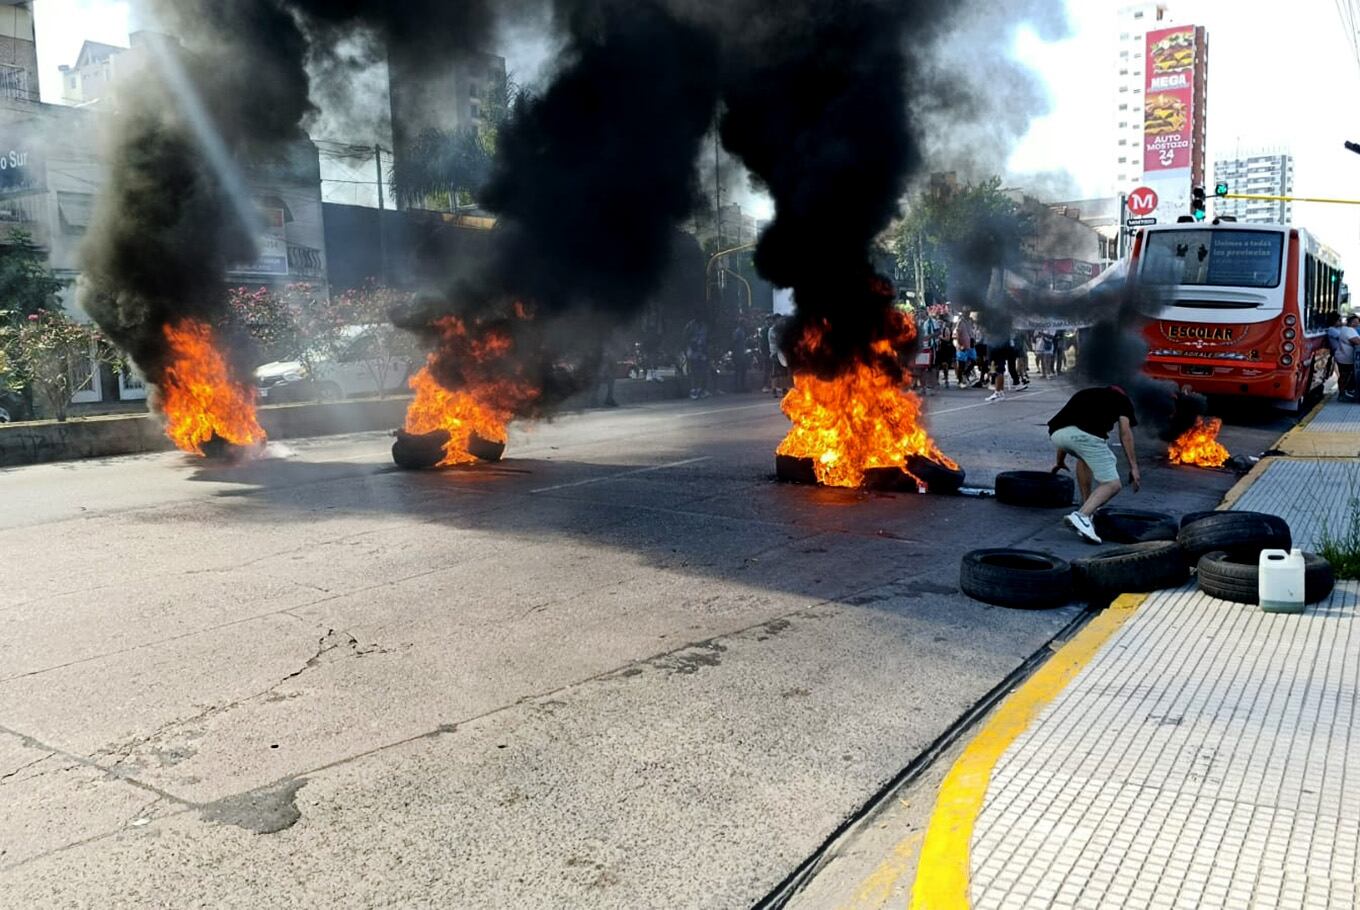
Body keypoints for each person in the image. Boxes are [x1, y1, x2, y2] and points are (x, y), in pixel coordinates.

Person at [1048, 385, 1141, 544]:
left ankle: (1087, 507)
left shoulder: (1085, 392)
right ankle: (1082, 516)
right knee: (1112, 483)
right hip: (1086, 438)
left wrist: (1060, 461)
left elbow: (1068, 425)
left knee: (1084, 458)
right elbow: (1125, 433)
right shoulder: (1122, 400)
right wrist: (1134, 466)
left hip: (1057, 434)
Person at [1328, 312, 1359, 400]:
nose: (1357, 323)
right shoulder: (1345, 330)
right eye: (1355, 321)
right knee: (1344, 375)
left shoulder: (1345, 329)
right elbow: (1356, 341)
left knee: (1346, 375)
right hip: (1343, 356)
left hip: (1344, 355)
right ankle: (1341, 394)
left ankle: (1344, 392)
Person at [683, 316, 711, 399]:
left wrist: (705, 349)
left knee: (703, 371)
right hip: (693, 351)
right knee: (694, 371)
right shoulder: (690, 325)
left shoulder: (704, 326)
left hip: (702, 350)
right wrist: (691, 344)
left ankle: (701, 390)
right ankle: (693, 390)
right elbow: (685, 337)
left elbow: (706, 338)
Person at [954, 313, 976, 387]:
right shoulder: (960, 322)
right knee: (961, 364)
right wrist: (959, 344)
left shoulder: (970, 321)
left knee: (973, 361)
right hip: (963, 344)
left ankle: (965, 374)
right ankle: (960, 381)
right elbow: (957, 333)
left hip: (971, 343)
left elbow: (972, 331)